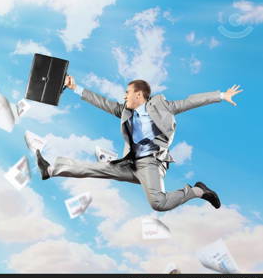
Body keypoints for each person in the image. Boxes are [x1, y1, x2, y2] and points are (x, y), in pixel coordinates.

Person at [35, 75, 243, 212]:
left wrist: (221, 95)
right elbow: (103, 102)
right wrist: (75, 87)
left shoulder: (161, 105)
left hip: (151, 163)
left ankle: (198, 191)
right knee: (94, 168)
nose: (124, 96)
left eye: (127, 92)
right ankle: (51, 168)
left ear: (138, 94)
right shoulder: (126, 111)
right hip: (131, 163)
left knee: (158, 204)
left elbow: (189, 101)